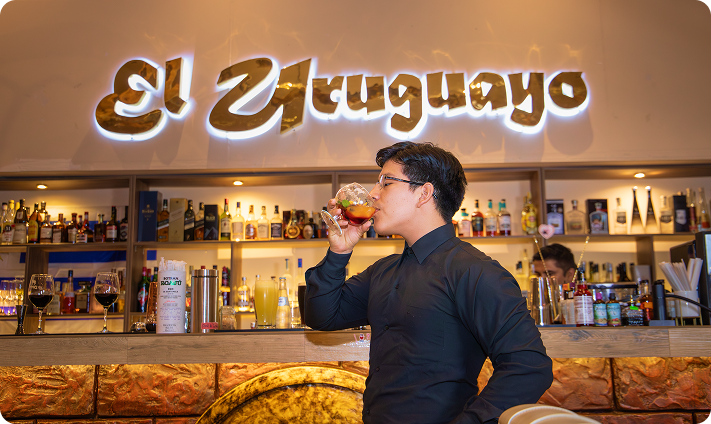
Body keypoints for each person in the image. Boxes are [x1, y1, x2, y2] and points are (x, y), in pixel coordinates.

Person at [304, 141, 553, 424]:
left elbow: (529, 367)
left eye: (386, 183)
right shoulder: (382, 271)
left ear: (424, 193)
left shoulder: (475, 271)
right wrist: (339, 251)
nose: (373, 194)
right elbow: (321, 316)